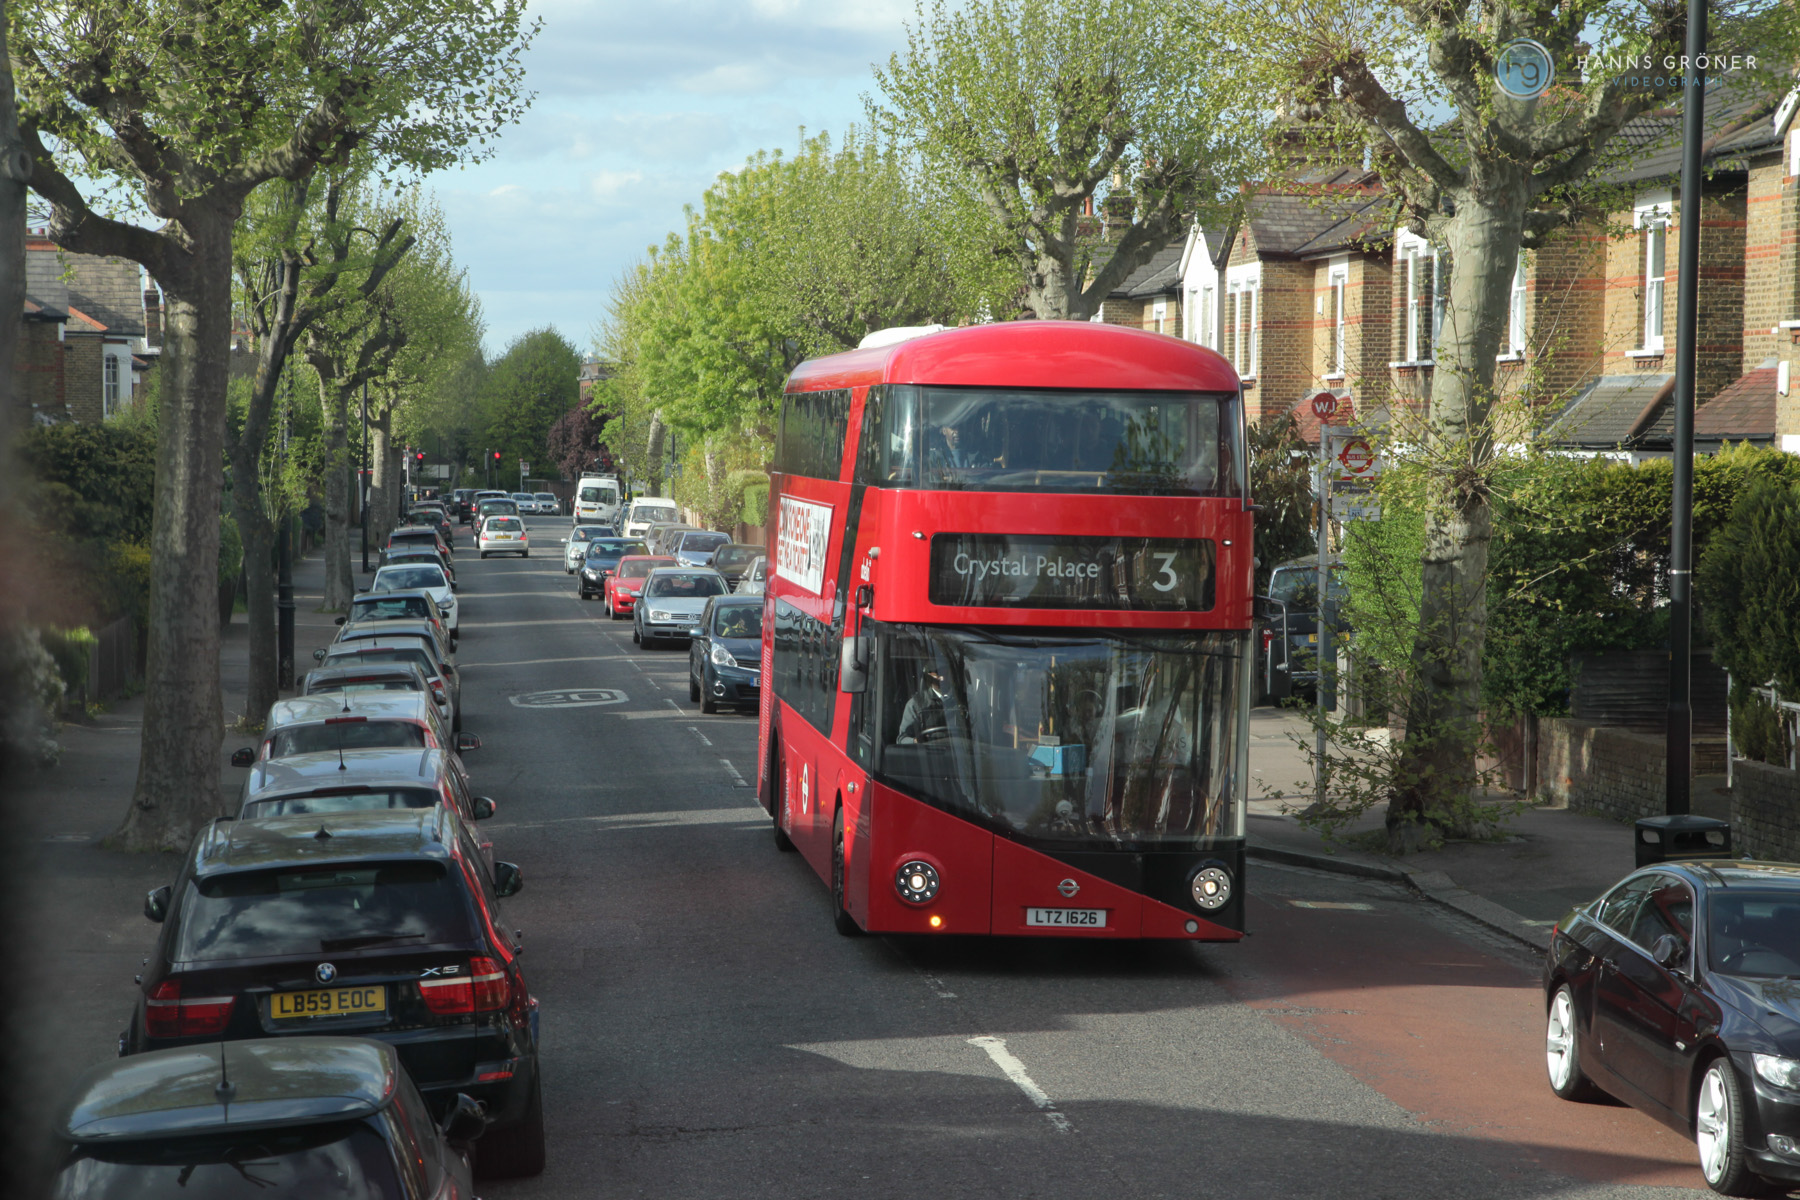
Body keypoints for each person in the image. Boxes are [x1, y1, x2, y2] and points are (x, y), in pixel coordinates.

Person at [897, 668, 952, 744]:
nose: (942, 678)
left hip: (963, 753)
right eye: (937, 673)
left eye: (945, 672)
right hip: (928, 752)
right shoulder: (916, 704)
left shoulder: (967, 702)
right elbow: (902, 739)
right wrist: (916, 741)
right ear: (929, 677)